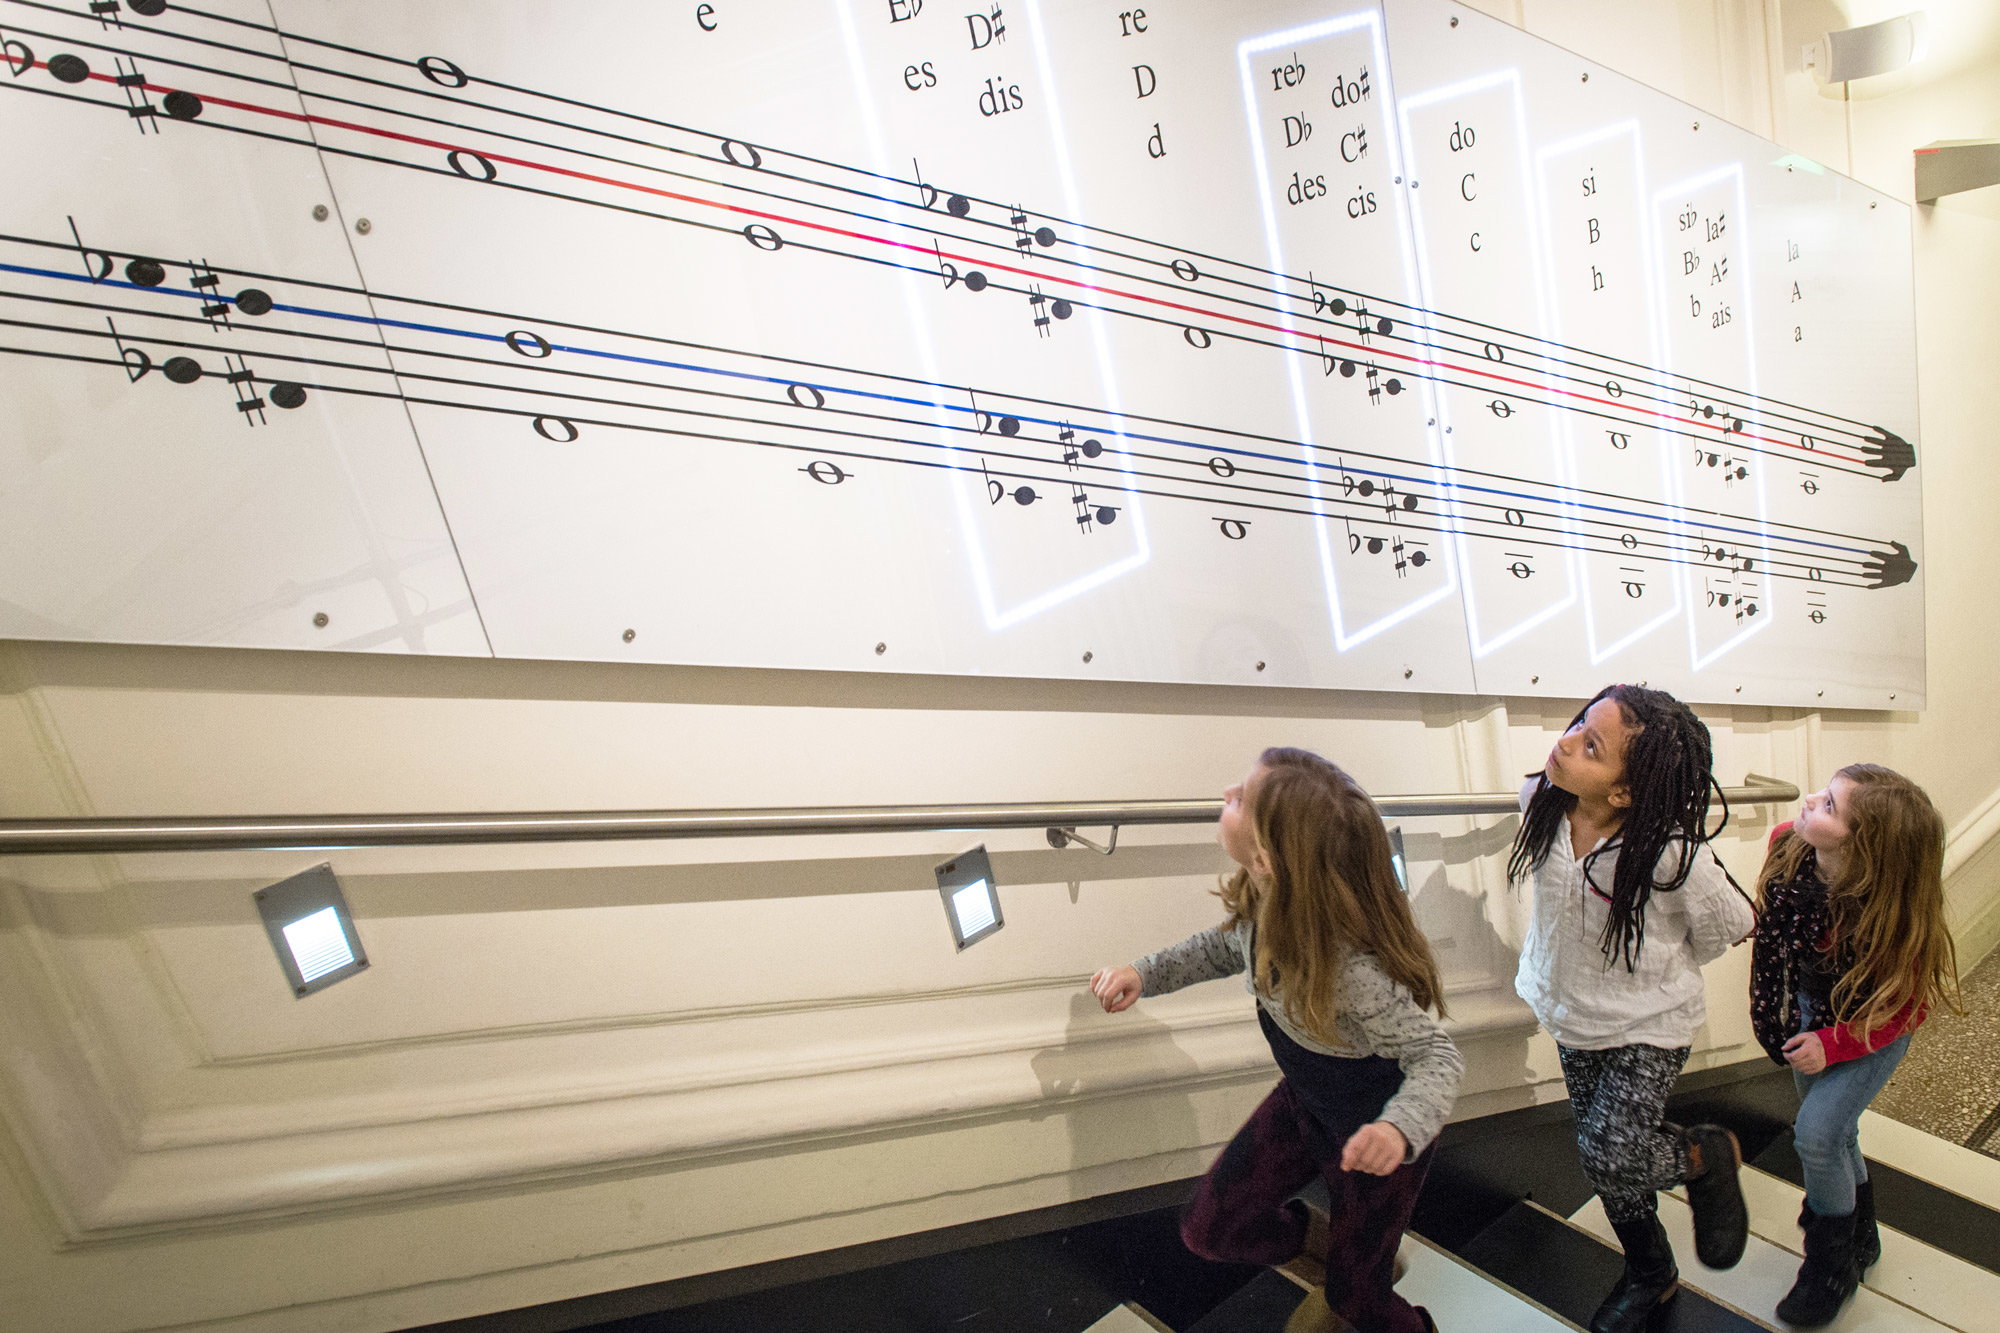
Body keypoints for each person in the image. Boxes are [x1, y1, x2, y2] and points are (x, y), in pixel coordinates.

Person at [1090, 747, 1461, 1333]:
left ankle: (1374, 1294)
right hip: (1305, 1106)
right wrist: (1144, 974)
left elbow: (1436, 1055)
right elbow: (1221, 947)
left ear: (1266, 859)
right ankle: (1336, 1254)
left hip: (1376, 1134)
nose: (1224, 795)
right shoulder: (1267, 903)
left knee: (1357, 1300)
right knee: (1211, 1229)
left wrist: (1397, 1129)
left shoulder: (1352, 969)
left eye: (1239, 799)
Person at [1509, 684, 1757, 1333]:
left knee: (1612, 1154)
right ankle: (1650, 1270)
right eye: (1579, 726)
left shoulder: (1672, 853)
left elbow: (1733, 923)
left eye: (1591, 746)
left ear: (1624, 792)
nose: (1566, 742)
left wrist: (1654, 968)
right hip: (1572, 1015)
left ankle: (1704, 1155)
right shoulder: (1540, 802)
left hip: (1649, 1025)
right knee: (1606, 1158)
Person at [1750, 764, 1962, 1326]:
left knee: (1818, 1137)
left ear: (1864, 847)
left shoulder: (1895, 914)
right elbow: (1778, 922)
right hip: (1810, 1014)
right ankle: (1860, 1233)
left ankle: (1829, 1266)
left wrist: (1834, 1044)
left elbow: (1906, 1008)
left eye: (1829, 805)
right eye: (1825, 791)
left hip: (1868, 1030)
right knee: (1837, 1133)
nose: (1809, 798)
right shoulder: (1788, 847)